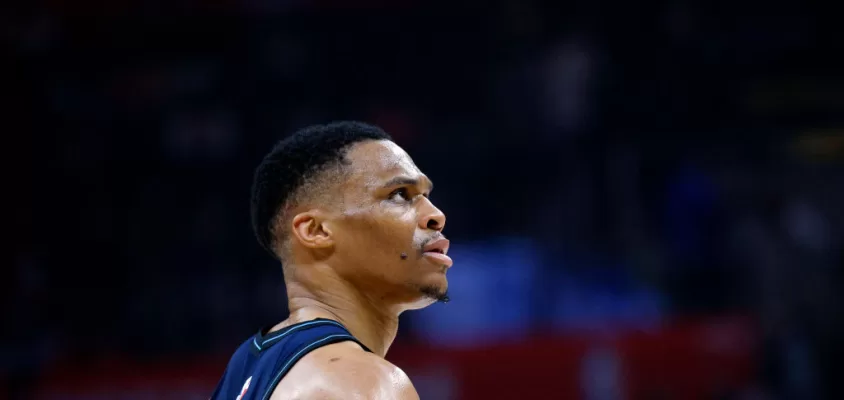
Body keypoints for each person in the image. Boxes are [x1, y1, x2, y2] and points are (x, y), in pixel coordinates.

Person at [210, 121, 452, 400]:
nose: (436, 215)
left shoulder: (245, 366)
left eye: (426, 196)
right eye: (400, 195)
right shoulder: (363, 385)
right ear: (315, 231)